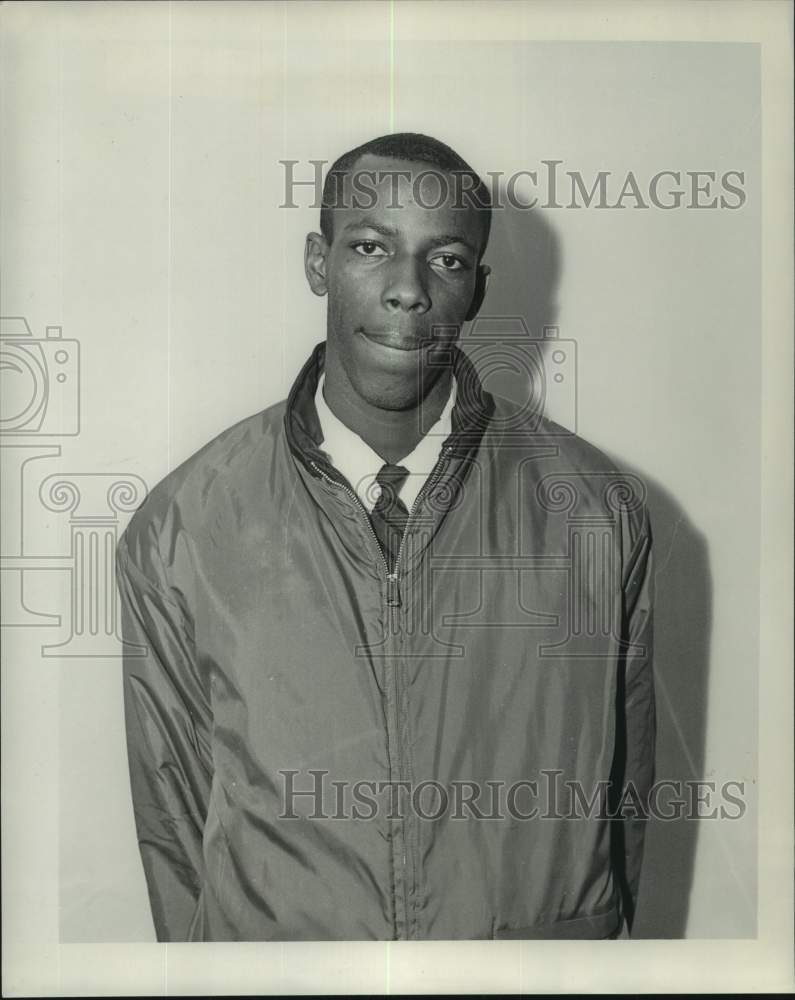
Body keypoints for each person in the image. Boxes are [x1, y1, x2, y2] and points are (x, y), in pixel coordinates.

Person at [116, 132, 655, 942]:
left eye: (444, 260)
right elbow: (175, 823)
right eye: (370, 247)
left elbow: (626, 796)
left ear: (475, 289)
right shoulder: (184, 523)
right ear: (317, 263)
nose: (407, 289)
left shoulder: (593, 508)